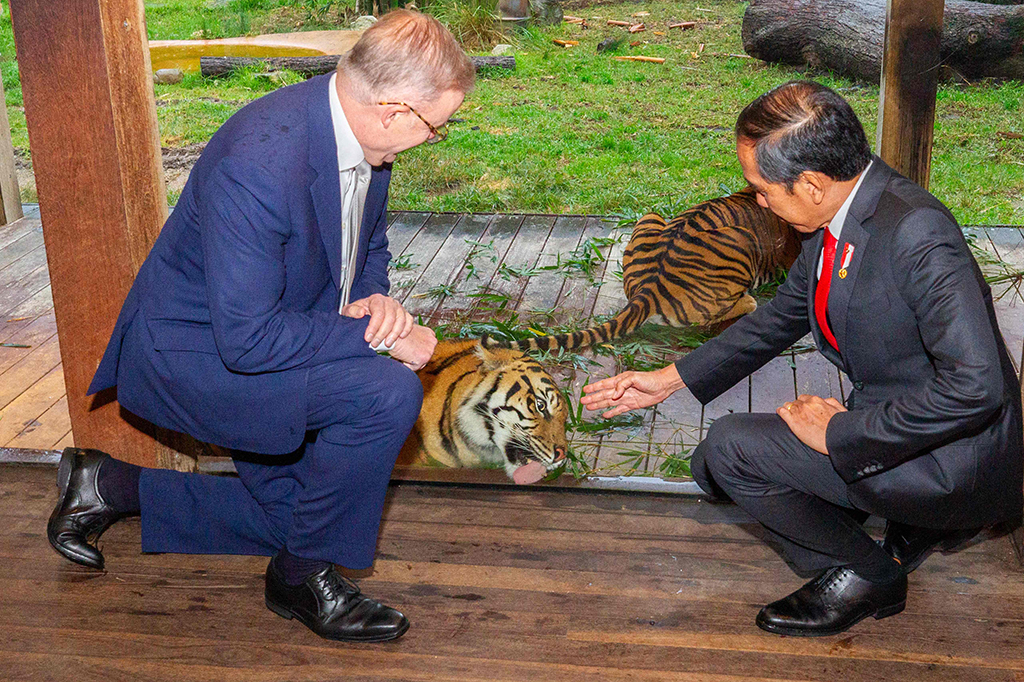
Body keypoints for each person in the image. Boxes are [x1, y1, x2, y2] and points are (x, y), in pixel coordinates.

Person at [46, 10, 475, 643]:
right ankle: (299, 580)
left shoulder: (354, 133)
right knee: (385, 394)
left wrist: (375, 300)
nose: (434, 137)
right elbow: (247, 341)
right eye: (437, 126)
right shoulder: (261, 165)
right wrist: (382, 336)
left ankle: (107, 483)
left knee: (310, 516)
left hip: (269, 332)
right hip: (195, 356)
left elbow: (367, 240)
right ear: (395, 109)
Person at [581, 80, 1023, 637]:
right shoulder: (841, 215)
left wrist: (841, 432)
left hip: (953, 462)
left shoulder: (917, 235)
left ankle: (872, 576)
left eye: (762, 189)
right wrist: (668, 379)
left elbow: (977, 388)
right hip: (908, 433)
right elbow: (780, 316)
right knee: (709, 468)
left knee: (727, 453)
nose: (758, 202)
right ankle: (902, 526)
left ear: (812, 183)